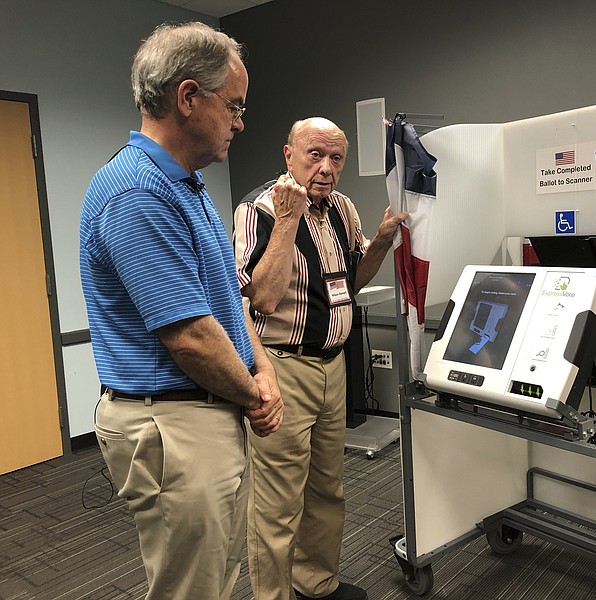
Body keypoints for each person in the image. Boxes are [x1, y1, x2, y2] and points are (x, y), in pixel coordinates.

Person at [79, 22, 284, 600]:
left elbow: (224, 301)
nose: (240, 124)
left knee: (215, 580)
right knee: (190, 590)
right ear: (188, 97)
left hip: (207, 409)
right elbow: (190, 336)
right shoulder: (137, 191)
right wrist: (256, 393)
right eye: (235, 108)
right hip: (173, 421)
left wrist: (262, 370)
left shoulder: (185, 187)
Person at [233, 117, 407, 600]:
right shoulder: (260, 209)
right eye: (315, 155)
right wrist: (289, 220)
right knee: (278, 499)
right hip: (283, 366)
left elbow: (351, 280)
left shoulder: (341, 208)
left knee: (327, 488)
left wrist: (383, 239)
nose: (326, 168)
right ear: (287, 155)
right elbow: (262, 299)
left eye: (336, 159)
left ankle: (316, 583)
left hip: (334, 365)